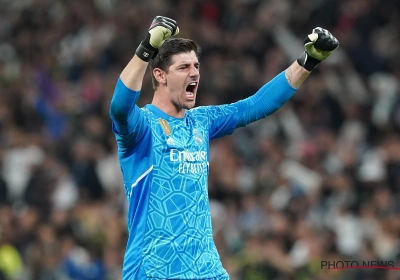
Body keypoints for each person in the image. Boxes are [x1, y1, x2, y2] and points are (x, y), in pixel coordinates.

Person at [109, 16, 339, 280]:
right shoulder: (142, 127)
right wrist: (146, 48)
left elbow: (255, 105)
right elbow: (119, 107)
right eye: (184, 67)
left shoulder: (202, 121)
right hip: (154, 270)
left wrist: (308, 62)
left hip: (206, 270)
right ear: (159, 75)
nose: (194, 72)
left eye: (196, 65)